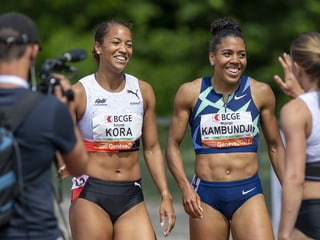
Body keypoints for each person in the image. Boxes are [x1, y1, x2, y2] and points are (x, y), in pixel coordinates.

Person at [165, 17, 285, 240]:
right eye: (227, 54)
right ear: (213, 57)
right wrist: (185, 188)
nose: (236, 60)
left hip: (248, 192)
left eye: (241, 54)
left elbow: (276, 146)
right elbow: (171, 146)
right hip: (206, 196)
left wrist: (290, 190)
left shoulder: (260, 92)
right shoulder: (190, 92)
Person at [68, 20, 176, 240]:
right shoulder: (79, 92)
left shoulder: (143, 90)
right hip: (91, 193)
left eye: (129, 44)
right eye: (116, 42)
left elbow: (152, 149)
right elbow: (63, 143)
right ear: (98, 47)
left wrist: (166, 194)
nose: (124, 49)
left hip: (131, 194)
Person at [0, 12, 89, 240]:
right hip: (35, 231)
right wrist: (65, 106)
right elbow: (79, 166)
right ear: (34, 50)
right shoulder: (50, 108)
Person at [274, 32, 320, 240]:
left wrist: (284, 233)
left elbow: (294, 178)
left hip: (312, 213)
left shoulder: (295, 112)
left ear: (297, 68)